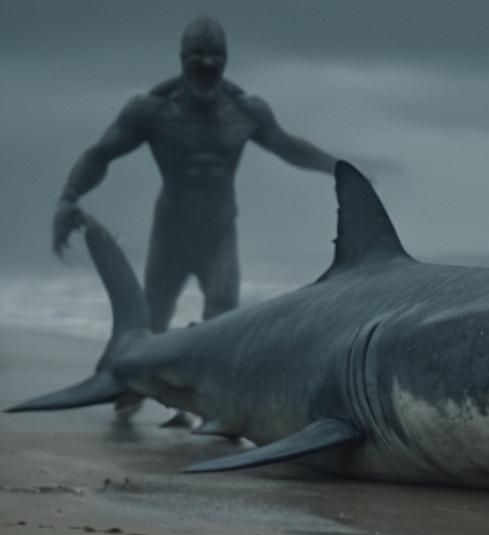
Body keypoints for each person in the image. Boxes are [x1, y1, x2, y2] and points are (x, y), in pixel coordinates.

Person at [51, 16, 338, 419]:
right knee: (152, 320)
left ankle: (210, 407)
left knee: (223, 321)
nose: (206, 63)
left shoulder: (246, 111)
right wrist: (68, 198)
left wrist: (341, 169)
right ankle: (127, 396)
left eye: (216, 55)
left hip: (219, 232)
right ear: (182, 58)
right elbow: (102, 154)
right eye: (197, 55)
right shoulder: (150, 111)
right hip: (172, 232)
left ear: (226, 59)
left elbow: (289, 147)